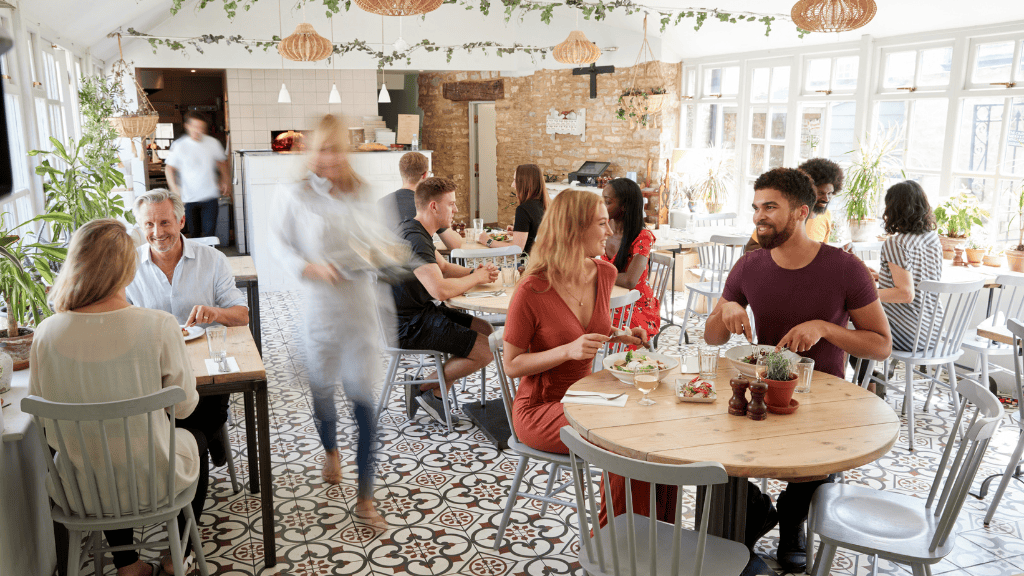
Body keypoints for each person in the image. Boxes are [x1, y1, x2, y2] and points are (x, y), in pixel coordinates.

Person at [704, 167, 891, 573]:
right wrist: (726, 308)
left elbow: (881, 344)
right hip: (755, 391)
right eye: (756, 207)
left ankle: (792, 521)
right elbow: (712, 338)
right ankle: (751, 513)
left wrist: (825, 328)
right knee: (712, 459)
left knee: (815, 466)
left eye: (770, 207)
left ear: (801, 212)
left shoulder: (845, 268)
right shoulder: (748, 266)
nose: (759, 216)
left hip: (819, 397)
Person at [31, 219, 206, 576]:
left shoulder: (46, 333)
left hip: (81, 490)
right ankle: (178, 557)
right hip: (154, 481)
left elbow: (46, 422)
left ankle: (126, 564)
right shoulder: (158, 326)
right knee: (196, 440)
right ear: (127, 269)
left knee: (99, 452)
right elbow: (185, 406)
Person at [501, 188, 651, 526]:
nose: (610, 232)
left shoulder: (605, 274)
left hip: (588, 397)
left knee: (649, 427)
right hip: (540, 407)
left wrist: (620, 335)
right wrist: (566, 351)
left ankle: (652, 535)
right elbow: (512, 365)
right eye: (601, 223)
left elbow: (591, 325)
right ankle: (613, 543)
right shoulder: (532, 289)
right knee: (621, 437)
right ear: (573, 229)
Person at [272, 114, 389, 527]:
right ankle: (330, 450)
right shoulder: (296, 195)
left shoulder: (362, 191)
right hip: (320, 311)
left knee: (364, 403)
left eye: (339, 147)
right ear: (313, 151)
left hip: (359, 312)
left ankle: (365, 498)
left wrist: (379, 254)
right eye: (324, 147)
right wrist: (309, 268)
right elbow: (281, 246)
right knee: (323, 396)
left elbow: (376, 241)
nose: (332, 156)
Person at [126, 188, 248, 468]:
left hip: (206, 369)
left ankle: (196, 449)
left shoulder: (213, 260)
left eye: (165, 222)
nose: (157, 231)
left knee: (196, 423)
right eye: (148, 224)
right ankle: (203, 444)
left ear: (181, 222)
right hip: (154, 371)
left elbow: (242, 315)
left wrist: (215, 311)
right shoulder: (129, 265)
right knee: (163, 425)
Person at [391, 176, 499, 423]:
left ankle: (434, 392)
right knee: (486, 351)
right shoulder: (415, 239)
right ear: (433, 206)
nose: (456, 209)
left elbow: (445, 268)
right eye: (451, 204)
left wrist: (476, 273)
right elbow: (439, 290)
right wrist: (476, 278)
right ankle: (424, 389)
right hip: (407, 325)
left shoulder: (416, 229)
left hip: (418, 313)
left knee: (485, 329)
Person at [877, 180, 943, 351]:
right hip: (933, 332)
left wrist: (865, 294)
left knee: (848, 328)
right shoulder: (932, 238)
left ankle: (867, 377)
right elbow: (917, 278)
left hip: (909, 335)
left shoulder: (897, 243)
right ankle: (874, 375)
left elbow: (905, 294)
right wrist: (880, 277)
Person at [600, 177, 660, 339]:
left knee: (599, 324)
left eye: (607, 202)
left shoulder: (642, 237)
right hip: (610, 298)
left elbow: (629, 281)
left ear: (624, 206)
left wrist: (594, 275)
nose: (602, 207)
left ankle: (610, 361)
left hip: (636, 305)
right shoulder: (604, 228)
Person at [745, 157, 843, 251]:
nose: (826, 199)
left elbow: (820, 252)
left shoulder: (826, 215)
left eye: (829, 193)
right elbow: (750, 248)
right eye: (820, 193)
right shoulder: (787, 214)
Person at [379, 151, 463, 249]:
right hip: (420, 261)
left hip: (389, 261)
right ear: (424, 175)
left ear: (402, 173)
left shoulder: (381, 202)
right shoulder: (425, 205)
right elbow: (455, 244)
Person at [165, 110, 229, 238]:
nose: (198, 130)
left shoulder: (212, 143)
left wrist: (225, 180)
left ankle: (209, 257)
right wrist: (174, 188)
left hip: (210, 196)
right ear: (187, 126)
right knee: (194, 235)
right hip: (189, 199)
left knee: (209, 234)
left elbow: (222, 163)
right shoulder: (179, 145)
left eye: (201, 127)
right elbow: (169, 168)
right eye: (195, 127)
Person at [477, 163, 548, 254]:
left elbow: (517, 249)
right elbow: (535, 232)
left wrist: (488, 241)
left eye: (515, 180)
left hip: (526, 263)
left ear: (524, 183)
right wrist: (519, 231)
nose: (512, 185)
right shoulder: (544, 204)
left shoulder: (523, 209)